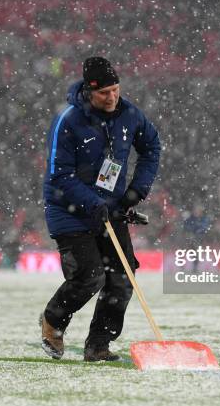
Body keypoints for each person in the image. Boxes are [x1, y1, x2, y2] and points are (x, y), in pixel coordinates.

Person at [41, 56, 161, 361]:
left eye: (116, 89)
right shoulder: (68, 120)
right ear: (88, 91)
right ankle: (53, 321)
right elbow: (60, 175)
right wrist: (92, 202)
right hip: (69, 211)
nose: (112, 97)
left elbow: (151, 147)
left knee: (122, 277)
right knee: (90, 275)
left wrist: (136, 190)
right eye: (104, 92)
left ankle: (98, 345)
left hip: (110, 209)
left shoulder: (130, 114)